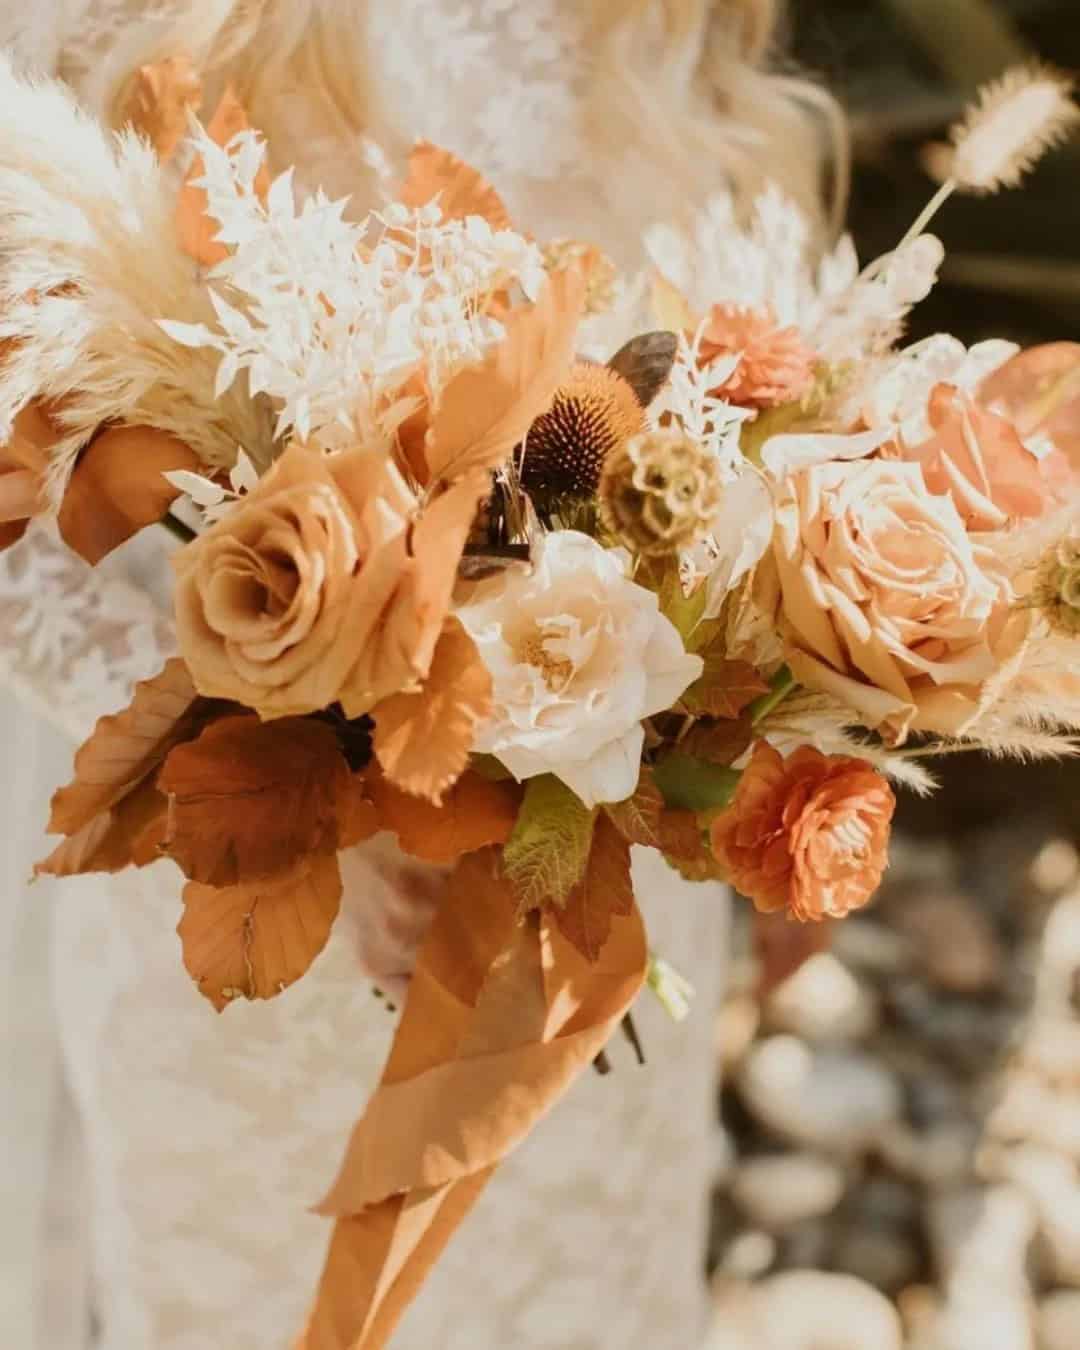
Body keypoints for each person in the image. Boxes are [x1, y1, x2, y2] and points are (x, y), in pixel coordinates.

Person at [0, 3, 842, 1346]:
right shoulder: (131, 21)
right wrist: (339, 796)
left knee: (586, 1290)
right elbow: (19, 538)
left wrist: (782, 753)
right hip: (263, 904)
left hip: (601, 883)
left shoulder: (674, 27)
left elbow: (746, 430)